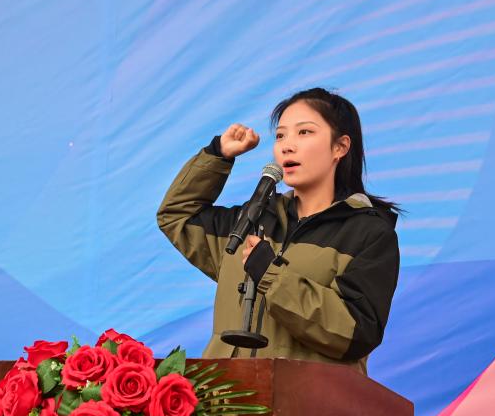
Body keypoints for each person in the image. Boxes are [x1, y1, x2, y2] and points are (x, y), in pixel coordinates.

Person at [157, 87, 400, 374]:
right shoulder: (250, 221)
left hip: (305, 400)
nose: (287, 146)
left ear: (340, 147)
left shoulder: (368, 233)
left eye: (304, 132)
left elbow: (356, 333)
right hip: (224, 400)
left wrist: (271, 277)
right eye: (281, 135)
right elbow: (177, 214)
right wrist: (218, 155)